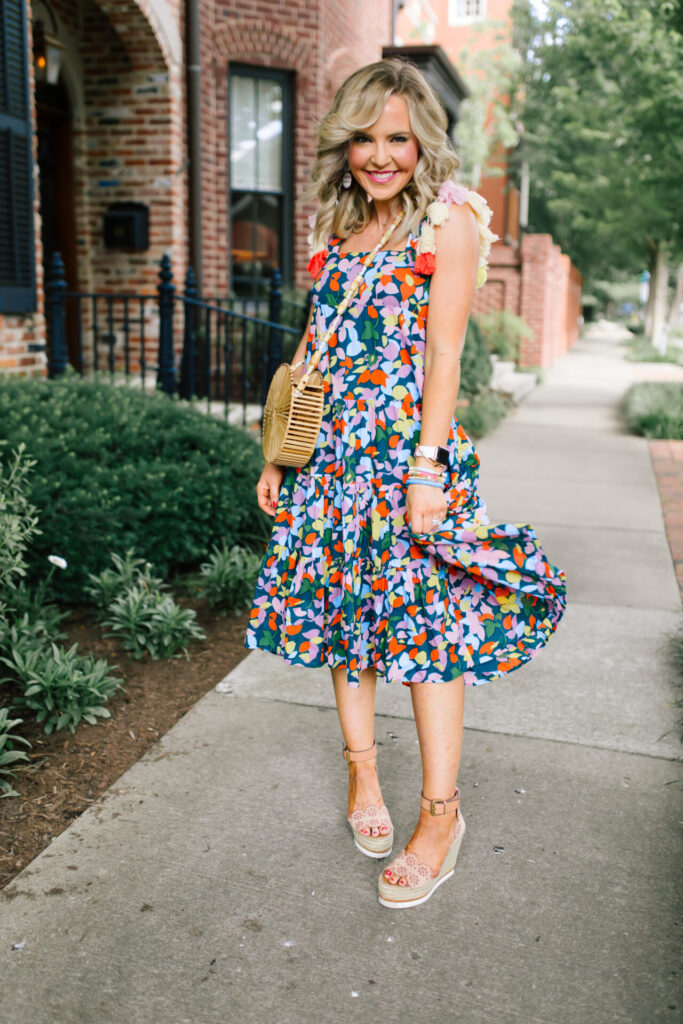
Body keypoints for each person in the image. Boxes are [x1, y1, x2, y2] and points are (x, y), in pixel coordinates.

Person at [245, 59, 566, 909]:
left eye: (396, 137)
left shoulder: (447, 223)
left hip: (404, 464)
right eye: (364, 138)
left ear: (422, 140)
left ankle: (441, 815)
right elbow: (315, 347)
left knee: (424, 633)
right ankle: (363, 781)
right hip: (332, 464)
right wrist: (282, 452)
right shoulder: (338, 227)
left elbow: (444, 356)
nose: (380, 155)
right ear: (344, 144)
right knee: (345, 622)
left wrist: (425, 469)